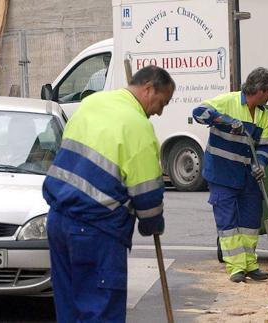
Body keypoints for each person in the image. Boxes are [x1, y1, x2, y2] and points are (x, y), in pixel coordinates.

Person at [42, 65, 175, 322]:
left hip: (58, 221)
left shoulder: (93, 103)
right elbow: (148, 198)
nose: (159, 111)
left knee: (69, 309)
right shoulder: (138, 127)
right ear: (148, 89)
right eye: (163, 102)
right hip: (96, 231)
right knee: (100, 311)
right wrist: (152, 225)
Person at [192, 67, 268, 283]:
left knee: (251, 221)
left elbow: (265, 146)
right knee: (228, 222)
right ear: (260, 89)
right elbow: (198, 113)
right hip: (222, 174)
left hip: (248, 176)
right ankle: (235, 268)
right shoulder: (228, 101)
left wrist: (261, 164)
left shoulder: (263, 115)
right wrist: (225, 120)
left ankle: (250, 264)